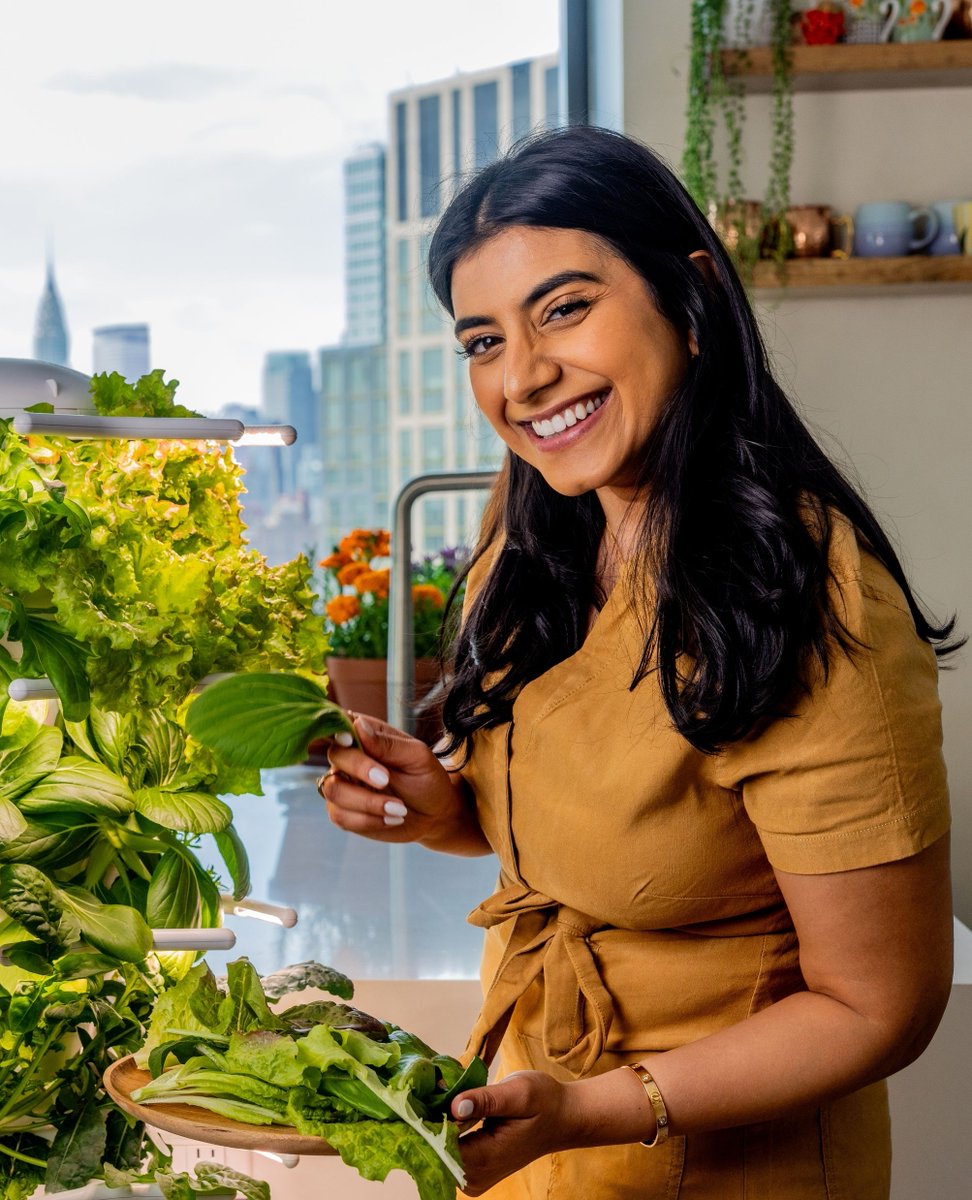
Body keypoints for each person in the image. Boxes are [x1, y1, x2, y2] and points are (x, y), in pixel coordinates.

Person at [318, 125, 958, 1199]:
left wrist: (600, 1104)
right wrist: (445, 810)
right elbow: (614, 824)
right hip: (535, 1136)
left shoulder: (811, 600)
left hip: (715, 1167)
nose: (521, 376)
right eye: (481, 341)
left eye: (564, 309)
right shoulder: (532, 549)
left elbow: (879, 1006)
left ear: (692, 300)